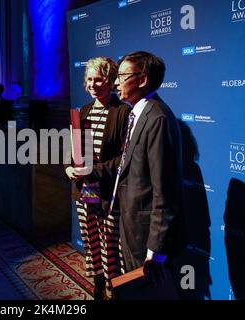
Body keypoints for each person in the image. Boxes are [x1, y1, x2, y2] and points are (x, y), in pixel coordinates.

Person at [113, 51, 185, 287]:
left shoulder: (157, 118)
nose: (116, 82)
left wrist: (155, 251)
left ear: (142, 80)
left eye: (122, 76)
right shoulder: (137, 113)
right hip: (132, 226)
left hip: (146, 237)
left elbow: (165, 190)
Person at [64, 57, 130, 300]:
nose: (93, 84)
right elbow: (74, 150)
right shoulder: (82, 112)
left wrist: (94, 171)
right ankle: (100, 284)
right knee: (92, 240)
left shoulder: (123, 112)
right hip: (87, 190)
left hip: (109, 192)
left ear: (111, 81)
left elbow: (125, 157)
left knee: (111, 244)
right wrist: (69, 168)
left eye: (98, 79)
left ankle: (117, 288)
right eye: (89, 79)